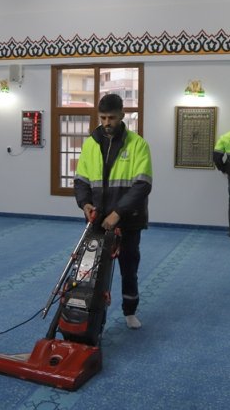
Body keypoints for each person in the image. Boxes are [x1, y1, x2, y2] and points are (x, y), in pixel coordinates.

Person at [74, 93, 153, 330]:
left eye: (111, 118)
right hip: (97, 220)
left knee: (128, 269)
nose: (107, 123)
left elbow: (142, 185)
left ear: (122, 116)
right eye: (103, 118)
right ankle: (93, 315)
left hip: (128, 221)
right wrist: (85, 204)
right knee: (91, 270)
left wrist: (117, 213)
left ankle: (130, 312)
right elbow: (81, 180)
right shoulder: (90, 143)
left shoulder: (137, 144)